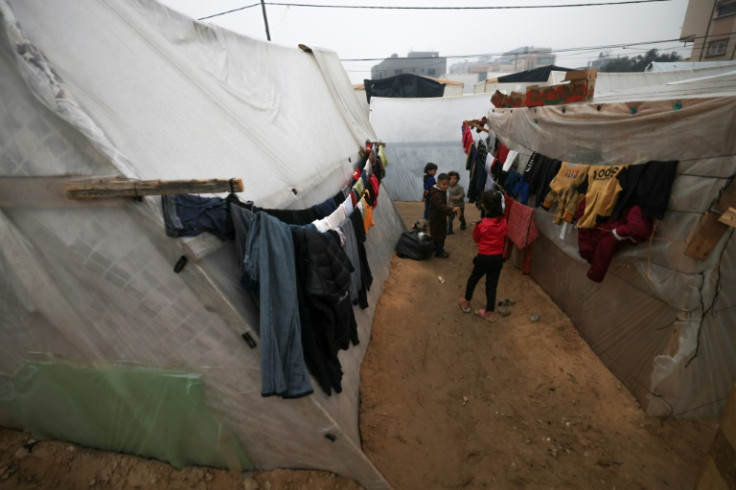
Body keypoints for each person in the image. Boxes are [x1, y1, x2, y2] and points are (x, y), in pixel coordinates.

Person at [459, 189, 507, 321]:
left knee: (473, 279)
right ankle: (490, 313)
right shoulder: (503, 221)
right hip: (498, 259)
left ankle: (466, 302)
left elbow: (476, 239)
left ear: (483, 205)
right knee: (491, 285)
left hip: (484, 258)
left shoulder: (481, 224)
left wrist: (479, 225)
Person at [428, 173, 460, 258]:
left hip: (438, 217)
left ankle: (435, 249)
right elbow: (441, 207)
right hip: (436, 218)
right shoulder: (436, 195)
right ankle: (439, 252)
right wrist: (451, 209)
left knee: (437, 234)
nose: (446, 186)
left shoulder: (440, 191)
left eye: (447, 185)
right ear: (438, 182)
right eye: (444, 184)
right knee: (440, 236)